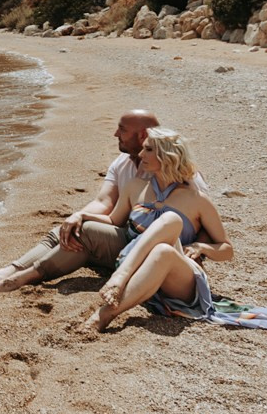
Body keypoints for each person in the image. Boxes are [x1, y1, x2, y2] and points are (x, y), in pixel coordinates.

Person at [0, 108, 208, 295]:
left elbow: (203, 222)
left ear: (142, 135)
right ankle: (10, 270)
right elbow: (104, 202)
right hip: (127, 232)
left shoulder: (185, 178)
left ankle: (20, 278)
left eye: (121, 129)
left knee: (86, 232)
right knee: (68, 228)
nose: (115, 134)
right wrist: (77, 216)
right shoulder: (123, 164)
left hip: (151, 247)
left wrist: (198, 249)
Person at [81, 126, 234, 331]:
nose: (141, 154)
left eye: (149, 150)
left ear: (167, 155)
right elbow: (113, 220)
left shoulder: (196, 199)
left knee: (170, 221)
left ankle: (104, 314)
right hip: (141, 270)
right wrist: (81, 215)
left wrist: (201, 247)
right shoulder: (136, 186)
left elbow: (227, 250)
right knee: (162, 250)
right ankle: (120, 281)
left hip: (180, 281)